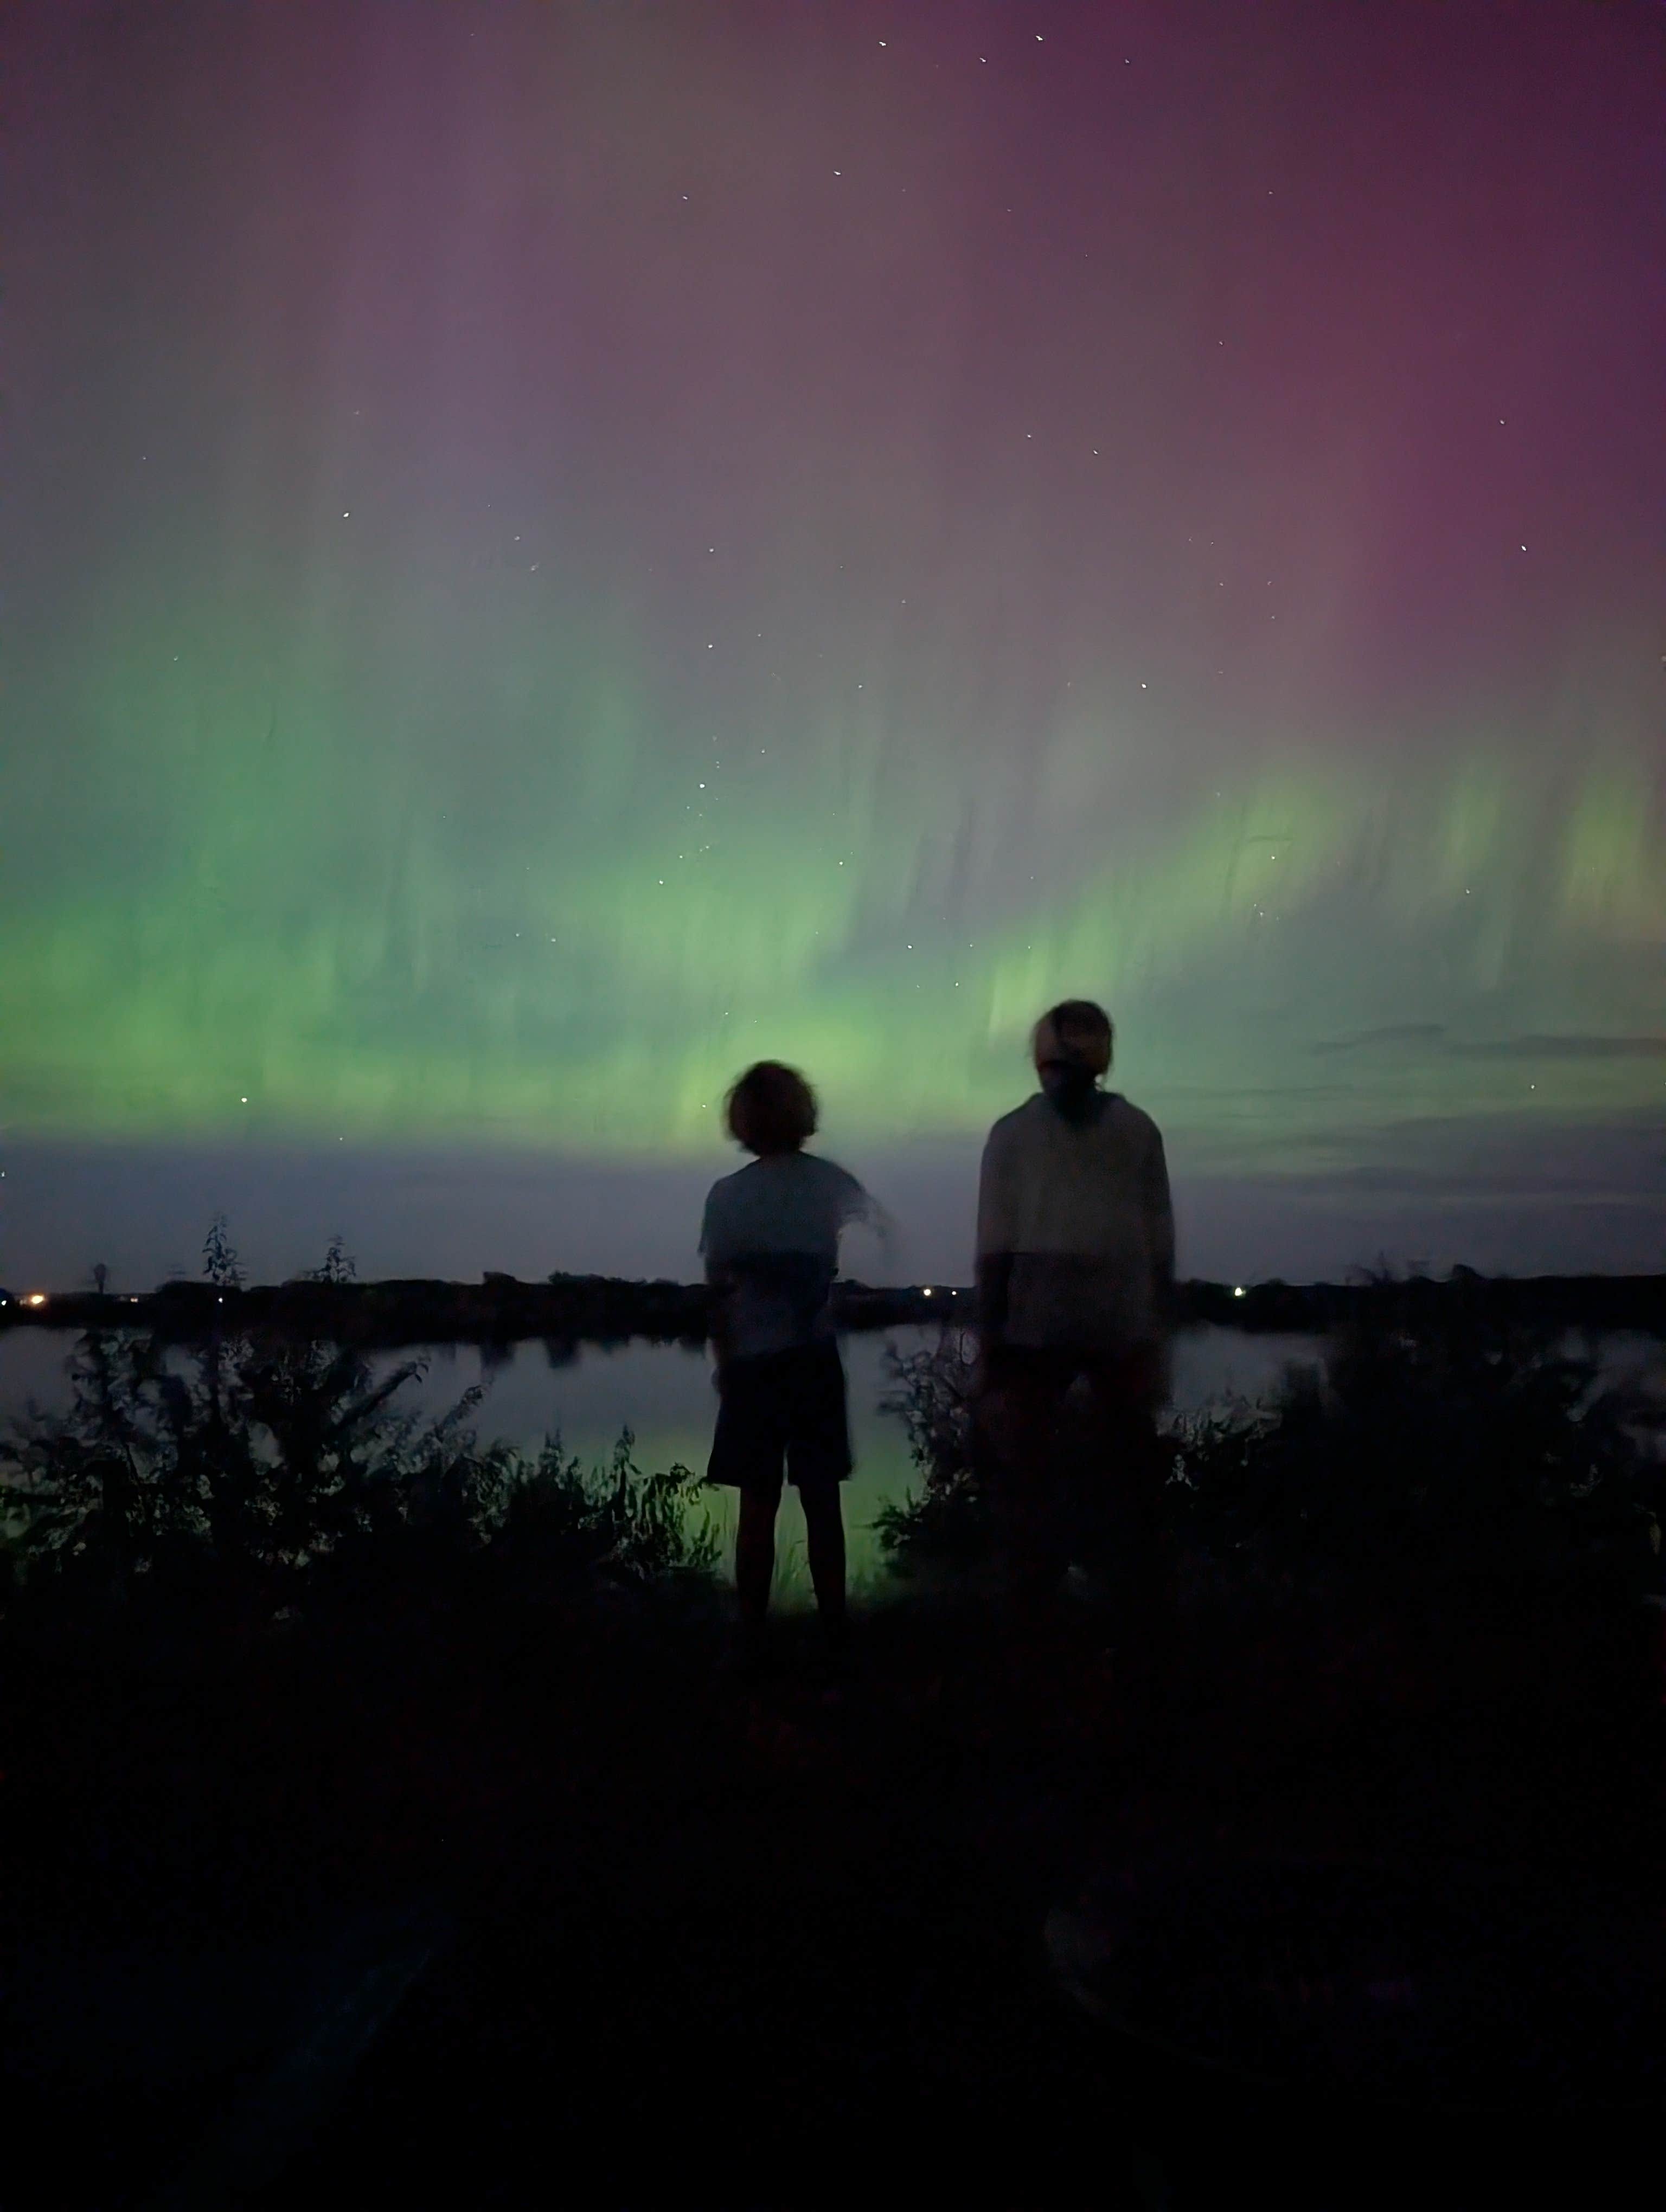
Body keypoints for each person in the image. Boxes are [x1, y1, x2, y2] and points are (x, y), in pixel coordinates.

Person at [975, 1000, 1177, 1672]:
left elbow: (995, 1250)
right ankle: (1078, 1622)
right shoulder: (1131, 1130)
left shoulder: (1023, 1134)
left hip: (1073, 1323)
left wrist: (991, 1347)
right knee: (1080, 1482)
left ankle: (1072, 1623)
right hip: (1084, 1323)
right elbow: (1160, 1245)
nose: (1060, 1075)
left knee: (1064, 1484)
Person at [701, 1060, 882, 1677]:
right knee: (821, 1501)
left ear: (745, 1119)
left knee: (758, 1505)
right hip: (812, 1362)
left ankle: (752, 1635)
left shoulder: (728, 1196)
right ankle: (836, 1633)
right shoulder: (829, 1183)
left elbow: (719, 1296)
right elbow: (871, 1233)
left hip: (753, 1368)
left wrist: (724, 1366)